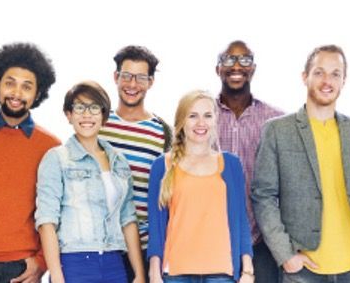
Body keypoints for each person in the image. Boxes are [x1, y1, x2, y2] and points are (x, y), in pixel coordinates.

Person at [252, 45, 350, 283]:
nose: (327, 81)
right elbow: (263, 195)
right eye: (319, 72)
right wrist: (285, 255)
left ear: (344, 80)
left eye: (335, 74)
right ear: (305, 77)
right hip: (302, 270)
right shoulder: (277, 130)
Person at [36, 81, 145, 283]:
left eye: (94, 107)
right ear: (69, 115)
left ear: (103, 116)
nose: (87, 115)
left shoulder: (118, 161)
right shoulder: (57, 159)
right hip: (74, 262)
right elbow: (46, 221)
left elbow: (128, 220)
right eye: (79, 107)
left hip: (115, 262)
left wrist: (139, 274)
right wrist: (58, 277)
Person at [0, 42, 60, 283]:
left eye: (26, 87)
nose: (16, 93)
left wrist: (41, 262)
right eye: (10, 83)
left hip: (21, 268)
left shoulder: (51, 147)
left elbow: (59, 212)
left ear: (38, 93)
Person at [146, 90, 254, 283]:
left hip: (222, 272)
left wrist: (247, 270)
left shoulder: (230, 164)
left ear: (215, 120)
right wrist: (154, 273)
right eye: (193, 116)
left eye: (207, 115)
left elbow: (241, 221)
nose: (201, 123)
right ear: (181, 121)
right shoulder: (162, 166)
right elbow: (155, 226)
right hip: (176, 273)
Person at [213, 40, 283, 282]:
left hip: (261, 240)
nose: (237, 66)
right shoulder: (201, 118)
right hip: (212, 238)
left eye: (244, 60)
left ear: (253, 69)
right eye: (229, 59)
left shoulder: (275, 120)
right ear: (217, 68)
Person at [99, 45, 172, 274]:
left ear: (150, 82)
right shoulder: (96, 125)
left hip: (143, 250)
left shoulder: (163, 133)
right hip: (99, 247)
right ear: (115, 77)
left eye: (141, 77)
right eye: (126, 76)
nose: (132, 84)